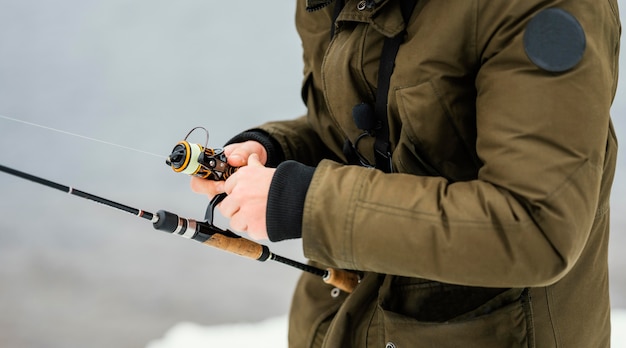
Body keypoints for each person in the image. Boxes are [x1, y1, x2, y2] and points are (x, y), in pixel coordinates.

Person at [191, 0, 621, 346]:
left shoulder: (544, 8)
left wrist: (306, 203)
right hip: (332, 321)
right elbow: (368, 132)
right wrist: (275, 152)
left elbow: (534, 227)